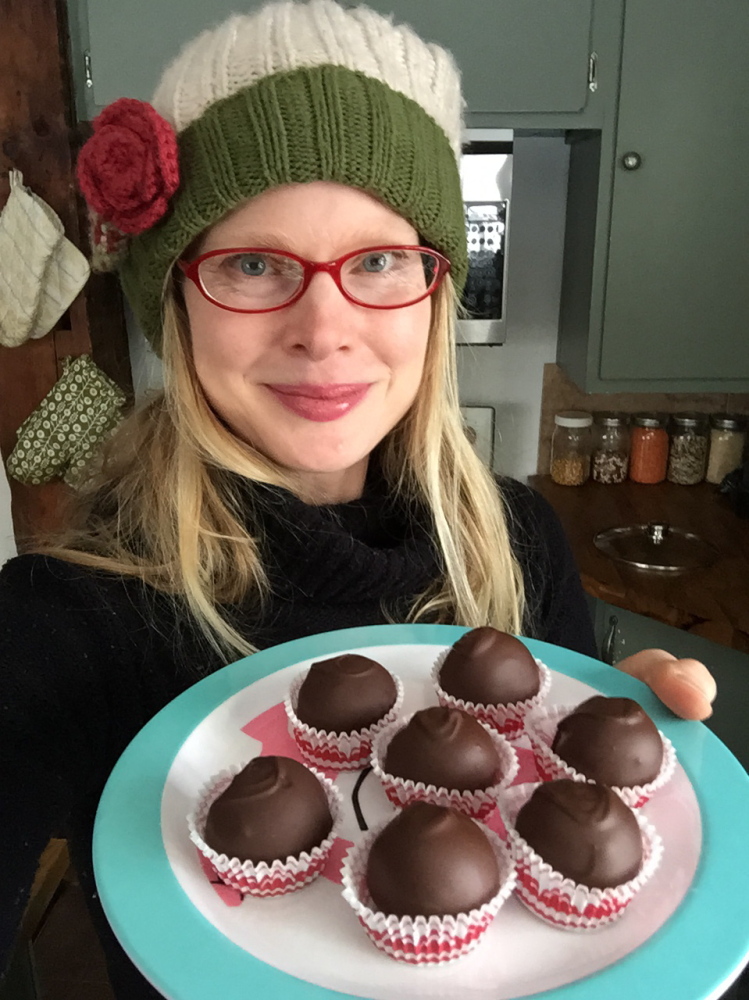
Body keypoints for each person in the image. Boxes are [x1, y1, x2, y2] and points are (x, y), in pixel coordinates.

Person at [0, 2, 716, 997]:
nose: (324, 328)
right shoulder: (63, 615)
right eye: (253, 264)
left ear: (431, 290)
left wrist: (621, 753)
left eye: (378, 260)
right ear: (176, 301)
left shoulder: (520, 545)